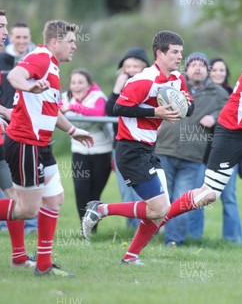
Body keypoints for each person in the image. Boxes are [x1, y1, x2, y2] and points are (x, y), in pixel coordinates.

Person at [84, 29, 242, 264]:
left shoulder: (176, 79)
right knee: (199, 197)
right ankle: (106, 213)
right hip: (228, 133)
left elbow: (194, 107)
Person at [0, 19, 94, 277]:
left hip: (40, 145)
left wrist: (72, 130)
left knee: (55, 199)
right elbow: (15, 76)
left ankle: (44, 265)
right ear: (55, 42)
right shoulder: (42, 59)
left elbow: (50, 108)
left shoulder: (52, 66)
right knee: (26, 209)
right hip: (26, 144)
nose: (75, 47)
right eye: (70, 42)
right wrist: (28, 85)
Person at [81, 30, 193, 265]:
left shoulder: (176, 79)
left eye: (181, 53)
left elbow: (189, 108)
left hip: (149, 150)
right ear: (159, 54)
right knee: (159, 208)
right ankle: (101, 210)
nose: (179, 57)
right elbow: (119, 109)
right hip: (130, 150)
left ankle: (131, 257)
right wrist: (155, 111)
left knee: (159, 209)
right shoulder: (143, 80)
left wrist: (182, 106)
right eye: (174, 52)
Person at [155, 52, 228, 246]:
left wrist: (215, 117)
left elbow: (231, 111)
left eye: (202, 65)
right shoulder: (173, 86)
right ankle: (147, 237)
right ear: (186, 69)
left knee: (181, 200)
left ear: (207, 70)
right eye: (193, 64)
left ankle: (173, 241)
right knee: (158, 198)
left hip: (192, 157)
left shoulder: (218, 93)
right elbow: (150, 104)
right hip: (164, 150)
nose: (197, 68)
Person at [0, 21, 38, 233]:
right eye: (18, 37)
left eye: (26, 37)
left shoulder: (37, 59)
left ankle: (31, 224)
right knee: (9, 176)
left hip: (32, 127)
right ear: (11, 38)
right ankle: (8, 223)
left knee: (32, 174)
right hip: (5, 125)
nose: (22, 41)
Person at [60, 68, 113, 230]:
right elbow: (57, 111)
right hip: (79, 151)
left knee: (94, 193)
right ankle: (85, 228)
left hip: (102, 151)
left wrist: (74, 108)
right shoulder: (65, 97)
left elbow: (99, 113)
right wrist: (67, 106)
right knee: (80, 189)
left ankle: (93, 227)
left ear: (89, 84)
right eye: (73, 82)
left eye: (81, 82)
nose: (76, 86)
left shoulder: (98, 97)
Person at [200, 57, 242, 243]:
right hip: (201, 155)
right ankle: (193, 237)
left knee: (229, 198)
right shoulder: (201, 93)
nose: (218, 73)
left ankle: (234, 240)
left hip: (227, 154)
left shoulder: (234, 95)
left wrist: (215, 117)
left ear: (226, 73)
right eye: (214, 70)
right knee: (199, 197)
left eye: (222, 70)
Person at [105, 47, 150, 230]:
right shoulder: (120, 87)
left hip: (143, 146)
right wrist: (117, 87)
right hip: (121, 146)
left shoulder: (148, 85)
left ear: (144, 68)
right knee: (126, 192)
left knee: (144, 193)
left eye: (135, 66)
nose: (131, 70)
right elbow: (109, 112)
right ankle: (131, 230)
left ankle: (145, 230)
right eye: (128, 66)